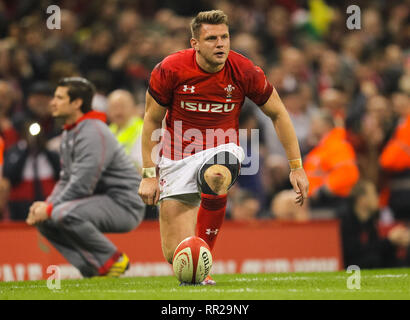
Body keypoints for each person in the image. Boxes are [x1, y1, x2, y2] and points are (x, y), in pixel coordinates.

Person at [138, 10, 309, 285]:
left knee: (216, 177)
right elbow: (151, 120)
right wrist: (148, 174)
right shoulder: (170, 69)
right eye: (211, 39)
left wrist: (296, 167)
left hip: (223, 147)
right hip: (176, 157)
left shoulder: (244, 71)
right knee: (178, 256)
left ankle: (204, 264)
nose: (220, 44)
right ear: (194, 43)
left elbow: (278, 113)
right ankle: (195, 267)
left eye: (225, 37)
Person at [26, 77, 146, 278]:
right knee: (46, 220)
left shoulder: (93, 131)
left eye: (59, 98)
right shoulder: (69, 133)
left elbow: (83, 183)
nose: (52, 102)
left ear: (77, 103)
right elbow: (66, 179)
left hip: (126, 204)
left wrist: (49, 208)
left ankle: (112, 259)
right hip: (102, 201)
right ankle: (92, 269)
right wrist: (45, 205)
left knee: (61, 213)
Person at [339, 180, 410, 268]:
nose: (378, 197)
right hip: (354, 266)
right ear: (362, 200)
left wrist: (394, 242)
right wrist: (389, 241)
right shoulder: (346, 223)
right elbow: (355, 252)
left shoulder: (370, 222)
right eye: (374, 194)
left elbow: (375, 247)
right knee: (374, 259)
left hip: (369, 262)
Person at [304, 110, 360, 210]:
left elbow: (348, 173)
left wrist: (322, 190)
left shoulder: (338, 145)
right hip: (316, 202)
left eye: (314, 123)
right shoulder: (320, 147)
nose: (311, 127)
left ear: (326, 125)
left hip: (332, 203)